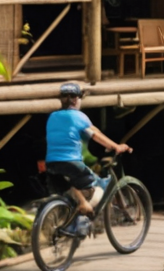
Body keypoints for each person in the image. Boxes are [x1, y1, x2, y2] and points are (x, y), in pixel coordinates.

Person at [44, 82, 134, 236]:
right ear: (76, 100)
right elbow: (96, 135)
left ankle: (76, 214)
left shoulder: (52, 116)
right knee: (96, 187)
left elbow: (91, 129)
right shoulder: (79, 116)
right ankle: (81, 214)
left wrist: (110, 144)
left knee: (72, 187)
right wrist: (117, 147)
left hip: (51, 164)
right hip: (71, 163)